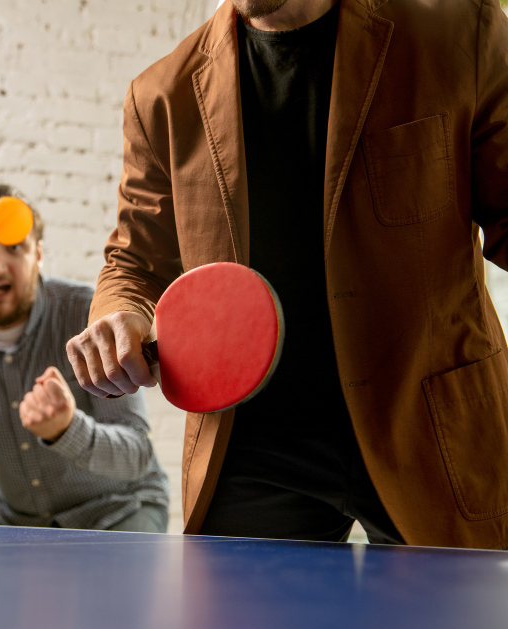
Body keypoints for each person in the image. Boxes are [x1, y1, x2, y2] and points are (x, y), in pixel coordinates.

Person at [67, 0, 508, 549]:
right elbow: (133, 262)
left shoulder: (461, 31)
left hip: (430, 423)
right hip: (254, 442)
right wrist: (120, 316)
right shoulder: (161, 96)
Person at [0, 184, 170, 531]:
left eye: (13, 247)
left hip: (118, 510)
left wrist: (69, 431)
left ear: (37, 255)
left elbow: (137, 457)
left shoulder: (86, 316)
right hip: (14, 519)